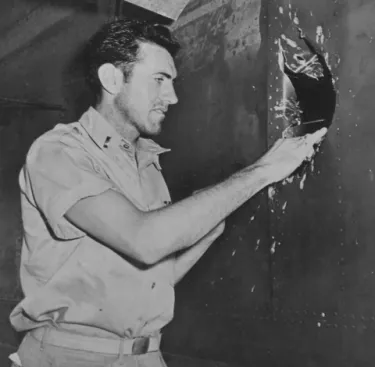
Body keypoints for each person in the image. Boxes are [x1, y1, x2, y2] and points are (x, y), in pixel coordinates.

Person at [9, 18, 327, 367]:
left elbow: (156, 277)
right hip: (72, 357)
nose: (172, 97)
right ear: (112, 79)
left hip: (145, 356)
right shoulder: (58, 151)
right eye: (159, 80)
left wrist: (212, 223)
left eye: (172, 82)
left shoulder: (146, 158)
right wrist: (263, 171)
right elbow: (144, 241)